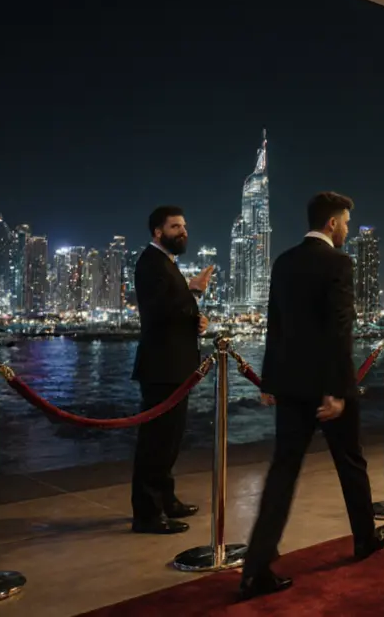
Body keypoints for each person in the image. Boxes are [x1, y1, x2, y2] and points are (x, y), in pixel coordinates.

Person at [240, 192, 384, 600]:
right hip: (326, 387)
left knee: (282, 473)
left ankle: (255, 569)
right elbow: (339, 330)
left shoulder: (283, 261)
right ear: (331, 224)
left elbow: (276, 325)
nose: (346, 230)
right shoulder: (339, 263)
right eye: (344, 222)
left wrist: (269, 383)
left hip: (289, 385)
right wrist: (338, 390)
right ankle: (364, 538)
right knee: (351, 461)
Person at [130, 205, 212, 535]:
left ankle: (166, 500)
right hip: (161, 367)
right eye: (176, 226)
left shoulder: (167, 263)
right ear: (157, 232)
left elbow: (175, 311)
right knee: (156, 442)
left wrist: (197, 318)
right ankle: (147, 514)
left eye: (185, 225)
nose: (183, 231)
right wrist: (192, 292)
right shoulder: (150, 263)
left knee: (171, 440)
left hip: (175, 366)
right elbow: (158, 311)